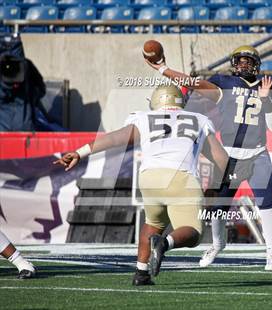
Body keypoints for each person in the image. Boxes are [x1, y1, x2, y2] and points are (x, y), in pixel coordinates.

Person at [54, 85, 228, 285]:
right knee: (193, 233)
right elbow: (222, 159)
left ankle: (141, 273)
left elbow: (113, 139)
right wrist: (215, 187)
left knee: (154, 222)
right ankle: (165, 243)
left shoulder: (144, 118)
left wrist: (79, 152)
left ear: (155, 101)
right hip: (181, 178)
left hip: (149, 178)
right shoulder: (198, 119)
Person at [145, 45, 272, 271]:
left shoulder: (268, 87)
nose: (244, 64)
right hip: (228, 156)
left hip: (258, 154)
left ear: (256, 65)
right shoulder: (225, 84)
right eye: (240, 60)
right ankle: (218, 244)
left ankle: (271, 254)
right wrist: (163, 70)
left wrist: (266, 100)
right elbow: (194, 83)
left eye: (248, 60)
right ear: (233, 63)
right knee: (219, 205)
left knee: (266, 203)